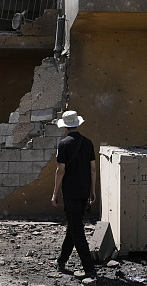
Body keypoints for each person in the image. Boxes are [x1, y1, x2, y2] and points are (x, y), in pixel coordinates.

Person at [51, 110, 97, 282]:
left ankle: (89, 269)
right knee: (73, 225)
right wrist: (93, 190)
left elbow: (60, 170)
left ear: (65, 126)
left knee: (76, 230)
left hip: (70, 193)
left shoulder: (63, 144)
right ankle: (61, 261)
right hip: (84, 191)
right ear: (77, 123)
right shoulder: (88, 143)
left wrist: (55, 193)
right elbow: (93, 169)